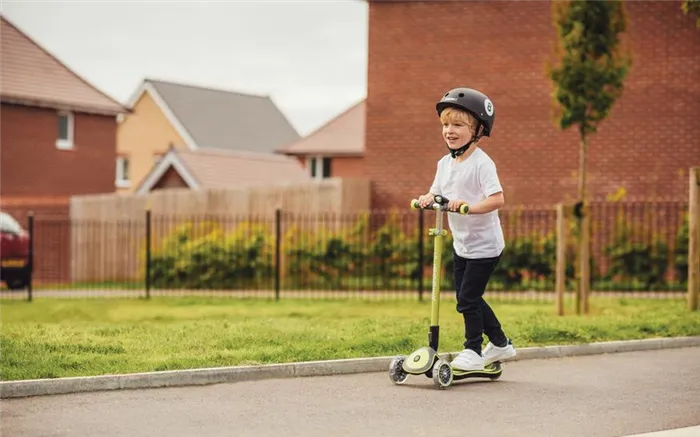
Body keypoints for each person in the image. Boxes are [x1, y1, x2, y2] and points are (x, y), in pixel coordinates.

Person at [417, 87, 516, 371]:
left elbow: (498, 199)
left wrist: (467, 206)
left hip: (485, 246)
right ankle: (500, 343)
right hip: (462, 243)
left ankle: (472, 349)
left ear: (477, 130)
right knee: (467, 297)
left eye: (458, 125)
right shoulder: (443, 164)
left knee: (467, 299)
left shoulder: (482, 164)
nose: (450, 130)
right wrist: (427, 199)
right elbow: (436, 193)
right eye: (446, 124)